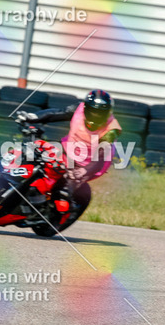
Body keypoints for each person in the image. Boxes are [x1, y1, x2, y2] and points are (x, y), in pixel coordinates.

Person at [16, 89, 121, 231]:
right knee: (35, 154)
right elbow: (56, 113)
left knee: (64, 189)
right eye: (93, 111)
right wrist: (33, 117)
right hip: (68, 149)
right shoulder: (78, 109)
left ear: (108, 113)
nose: (96, 116)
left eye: (100, 113)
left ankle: (52, 215)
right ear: (86, 108)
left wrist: (84, 170)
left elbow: (100, 158)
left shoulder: (111, 130)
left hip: (90, 163)